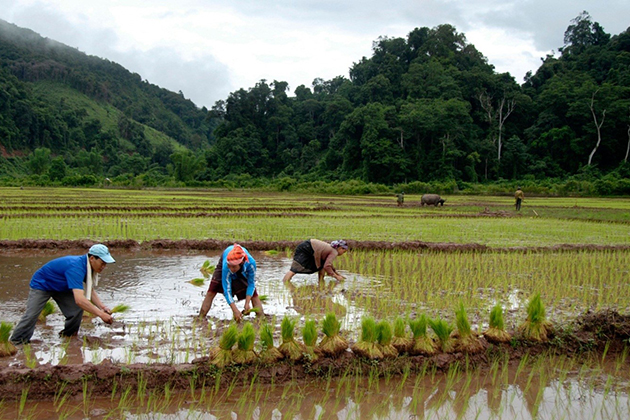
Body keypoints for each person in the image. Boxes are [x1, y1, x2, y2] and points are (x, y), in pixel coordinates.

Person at [10, 244, 115, 345]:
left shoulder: (88, 267)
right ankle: (16, 341)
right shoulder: (76, 267)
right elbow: (80, 300)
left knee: (76, 310)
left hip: (62, 286)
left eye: (106, 264)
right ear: (92, 258)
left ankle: (68, 336)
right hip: (43, 284)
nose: (104, 266)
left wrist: (102, 307)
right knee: (32, 315)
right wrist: (101, 314)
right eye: (102, 263)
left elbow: (90, 290)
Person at [198, 243, 265, 322]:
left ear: (241, 264)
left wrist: (247, 303)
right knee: (212, 290)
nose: (231, 269)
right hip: (226, 258)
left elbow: (251, 284)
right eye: (230, 266)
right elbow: (227, 290)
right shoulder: (227, 267)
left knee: (253, 293)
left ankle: (261, 319)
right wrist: (235, 310)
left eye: (233, 267)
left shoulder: (251, 264)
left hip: (243, 266)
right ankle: (200, 318)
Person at [282, 239, 348, 284]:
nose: (343, 253)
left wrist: (338, 274)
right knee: (295, 268)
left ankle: (321, 282)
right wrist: (336, 277)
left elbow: (328, 265)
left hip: (308, 246)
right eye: (344, 251)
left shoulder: (331, 249)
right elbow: (327, 266)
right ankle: (285, 283)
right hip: (306, 248)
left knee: (321, 265)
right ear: (340, 248)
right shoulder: (334, 252)